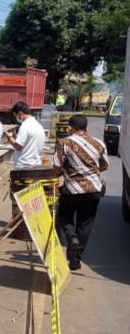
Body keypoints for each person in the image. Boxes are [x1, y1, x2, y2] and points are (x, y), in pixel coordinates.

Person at [53, 114, 108, 271]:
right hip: (94, 190)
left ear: (71, 128)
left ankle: (72, 237)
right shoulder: (99, 143)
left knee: (65, 215)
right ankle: (75, 260)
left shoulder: (64, 143)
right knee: (86, 223)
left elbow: (57, 167)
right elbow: (104, 165)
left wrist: (60, 174)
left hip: (72, 189)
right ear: (87, 128)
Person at [6, 101, 46, 168]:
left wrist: (9, 138)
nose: (16, 119)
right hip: (36, 163)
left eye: (16, 116)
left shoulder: (25, 126)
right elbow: (28, 142)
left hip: (24, 164)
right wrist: (16, 137)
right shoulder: (38, 126)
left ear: (20, 114)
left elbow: (18, 146)